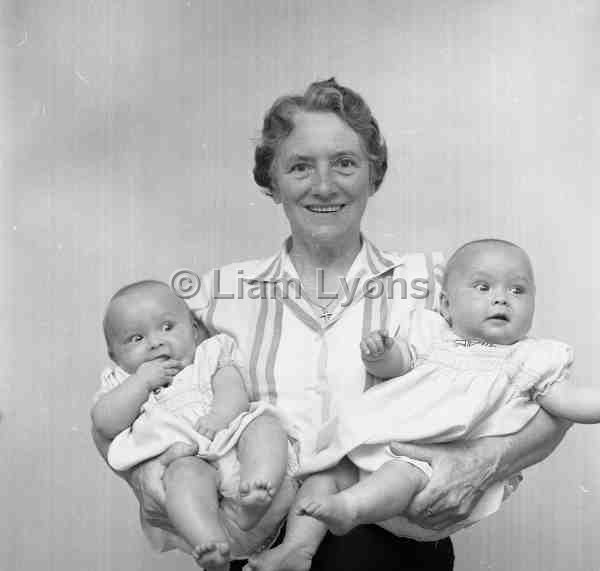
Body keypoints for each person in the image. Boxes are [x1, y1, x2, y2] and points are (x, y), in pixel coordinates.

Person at [92, 79, 570, 571]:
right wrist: (145, 473)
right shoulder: (210, 297)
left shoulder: (435, 282)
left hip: (390, 544)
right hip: (257, 540)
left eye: (344, 162)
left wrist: (483, 461)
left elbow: (540, 386)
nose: (324, 185)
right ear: (271, 181)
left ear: (373, 175)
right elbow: (120, 407)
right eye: (300, 166)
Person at [249, 238, 600, 571]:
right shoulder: (434, 334)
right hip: (371, 454)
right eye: (483, 288)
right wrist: (382, 353)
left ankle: (349, 509)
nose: (501, 299)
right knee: (327, 473)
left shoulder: (530, 358)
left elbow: (570, 404)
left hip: (429, 477)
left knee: (402, 470)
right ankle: (298, 549)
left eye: (517, 290)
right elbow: (398, 363)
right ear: (447, 305)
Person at [91, 280, 292, 570]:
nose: (155, 342)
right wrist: (142, 382)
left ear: (194, 331)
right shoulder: (122, 383)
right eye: (136, 339)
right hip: (190, 469)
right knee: (184, 474)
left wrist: (220, 417)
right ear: (115, 356)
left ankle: (259, 489)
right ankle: (212, 546)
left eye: (167, 327)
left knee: (264, 425)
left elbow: (233, 390)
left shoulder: (209, 356)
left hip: (236, 453)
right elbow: (104, 423)